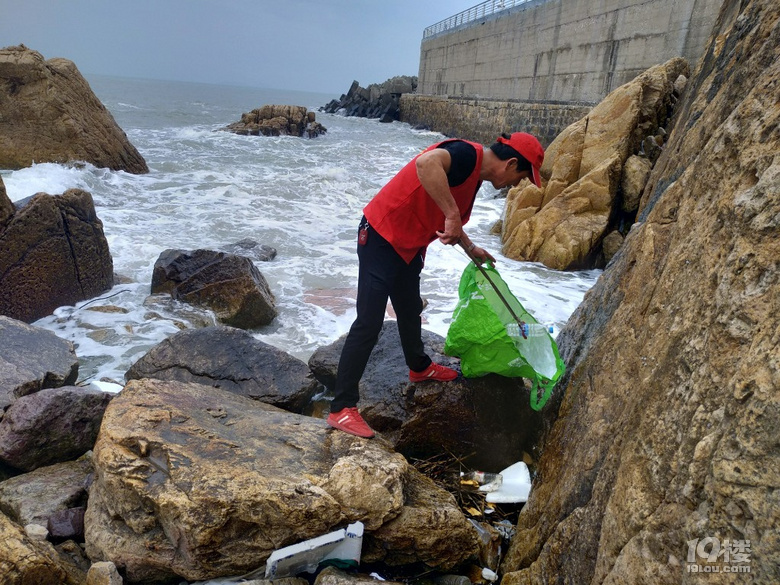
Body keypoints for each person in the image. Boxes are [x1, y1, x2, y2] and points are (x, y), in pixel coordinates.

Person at [327, 132, 544, 438]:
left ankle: (419, 366)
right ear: (510, 163)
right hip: (380, 236)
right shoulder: (467, 155)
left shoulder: (475, 175)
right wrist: (453, 214)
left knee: (410, 307)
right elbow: (426, 164)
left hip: (408, 245)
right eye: (522, 176)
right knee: (369, 322)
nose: (517, 184)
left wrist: (471, 249)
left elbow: (443, 214)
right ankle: (341, 408)